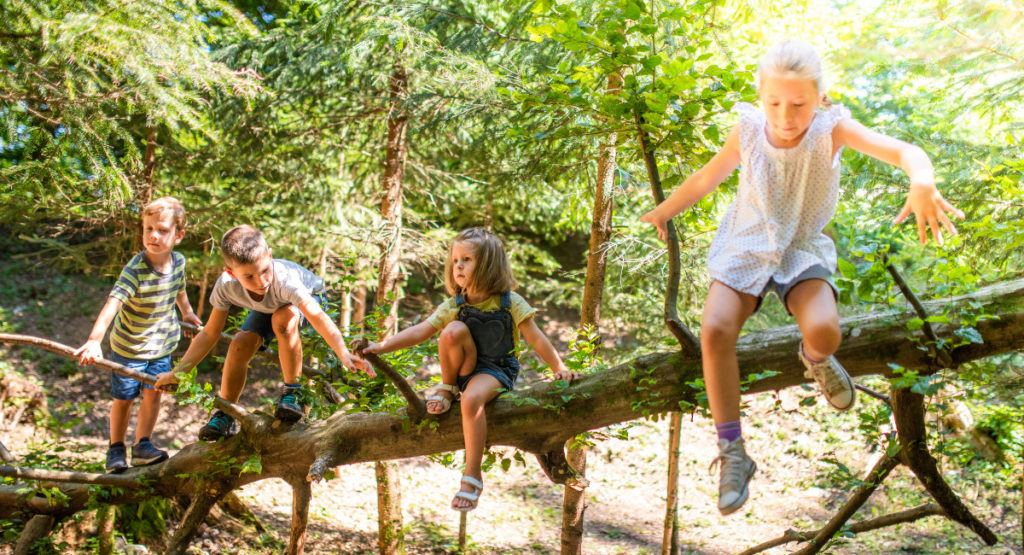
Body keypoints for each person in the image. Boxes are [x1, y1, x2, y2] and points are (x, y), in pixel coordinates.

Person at [640, 40, 963, 516]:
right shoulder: (748, 130)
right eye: (774, 102)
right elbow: (706, 178)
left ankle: (816, 358)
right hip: (746, 244)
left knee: (825, 331)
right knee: (714, 329)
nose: (785, 115)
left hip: (800, 248)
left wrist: (922, 180)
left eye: (799, 104)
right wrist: (663, 212)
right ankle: (733, 452)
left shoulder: (831, 130)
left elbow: (904, 150)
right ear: (760, 95)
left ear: (820, 98)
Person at [362, 227, 579, 511]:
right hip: (465, 369)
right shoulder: (456, 304)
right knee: (451, 330)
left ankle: (472, 474)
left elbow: (536, 338)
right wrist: (380, 346)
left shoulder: (510, 302)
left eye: (467, 260)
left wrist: (559, 368)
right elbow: (421, 331)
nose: (459, 266)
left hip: (496, 371)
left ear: (488, 265)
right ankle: (448, 387)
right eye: (455, 261)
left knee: (473, 399)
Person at [154, 225, 370, 440]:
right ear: (230, 273)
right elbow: (209, 333)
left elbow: (317, 316)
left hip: (311, 298)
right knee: (239, 343)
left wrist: (343, 352)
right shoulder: (226, 286)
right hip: (268, 307)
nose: (261, 281)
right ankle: (226, 413)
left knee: (283, 320)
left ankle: (291, 394)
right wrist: (178, 372)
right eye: (249, 277)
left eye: (265, 270)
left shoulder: (286, 280)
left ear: (270, 255)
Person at [75, 197, 202, 473]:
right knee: (124, 398)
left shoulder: (178, 262)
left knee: (154, 393)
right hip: (129, 347)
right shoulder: (135, 269)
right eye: (148, 229)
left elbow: (179, 290)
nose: (154, 235)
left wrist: (188, 314)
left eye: (163, 230)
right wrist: (95, 340)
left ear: (179, 235)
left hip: (161, 346)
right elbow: (113, 303)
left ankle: (143, 445)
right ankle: (116, 449)